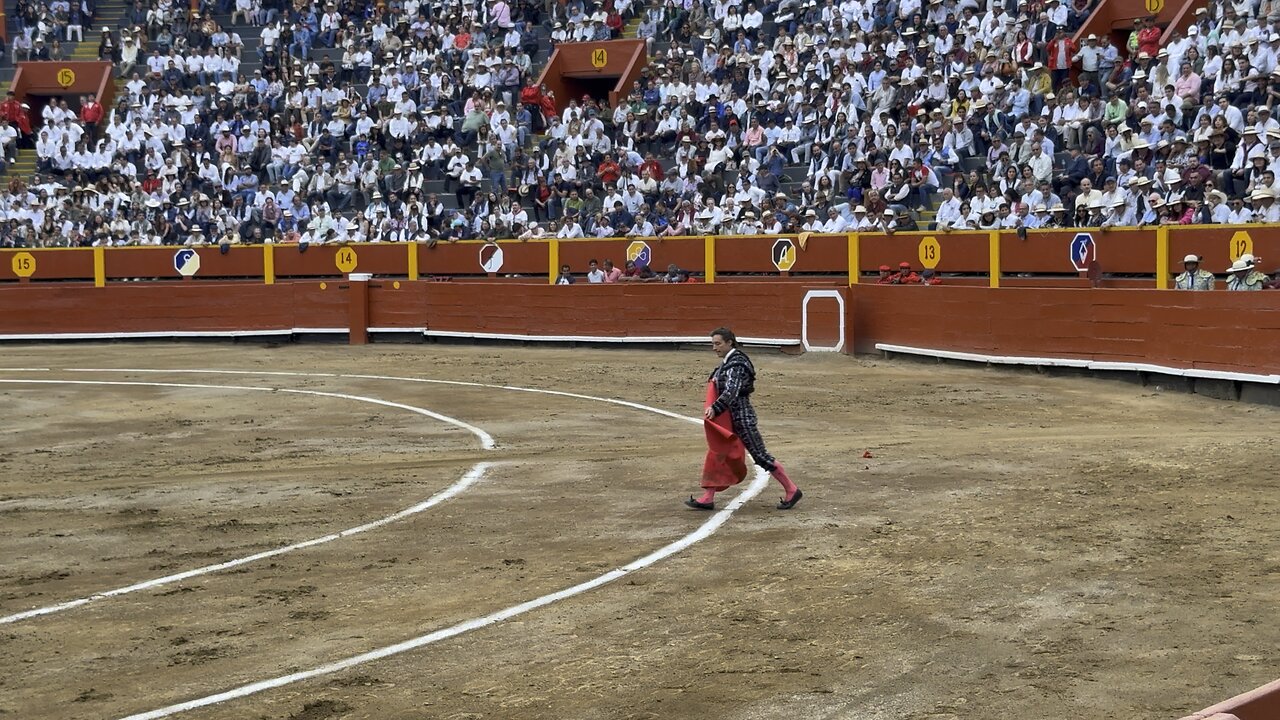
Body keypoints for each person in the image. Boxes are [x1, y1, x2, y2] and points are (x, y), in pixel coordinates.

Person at [687, 327, 802, 511]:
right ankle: (708, 497)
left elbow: (731, 391)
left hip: (742, 418)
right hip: (729, 418)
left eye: (718, 344)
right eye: (713, 344)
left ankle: (791, 489)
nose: (714, 348)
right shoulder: (727, 363)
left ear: (729, 342)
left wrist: (715, 408)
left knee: (760, 456)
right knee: (717, 452)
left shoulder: (737, 364)